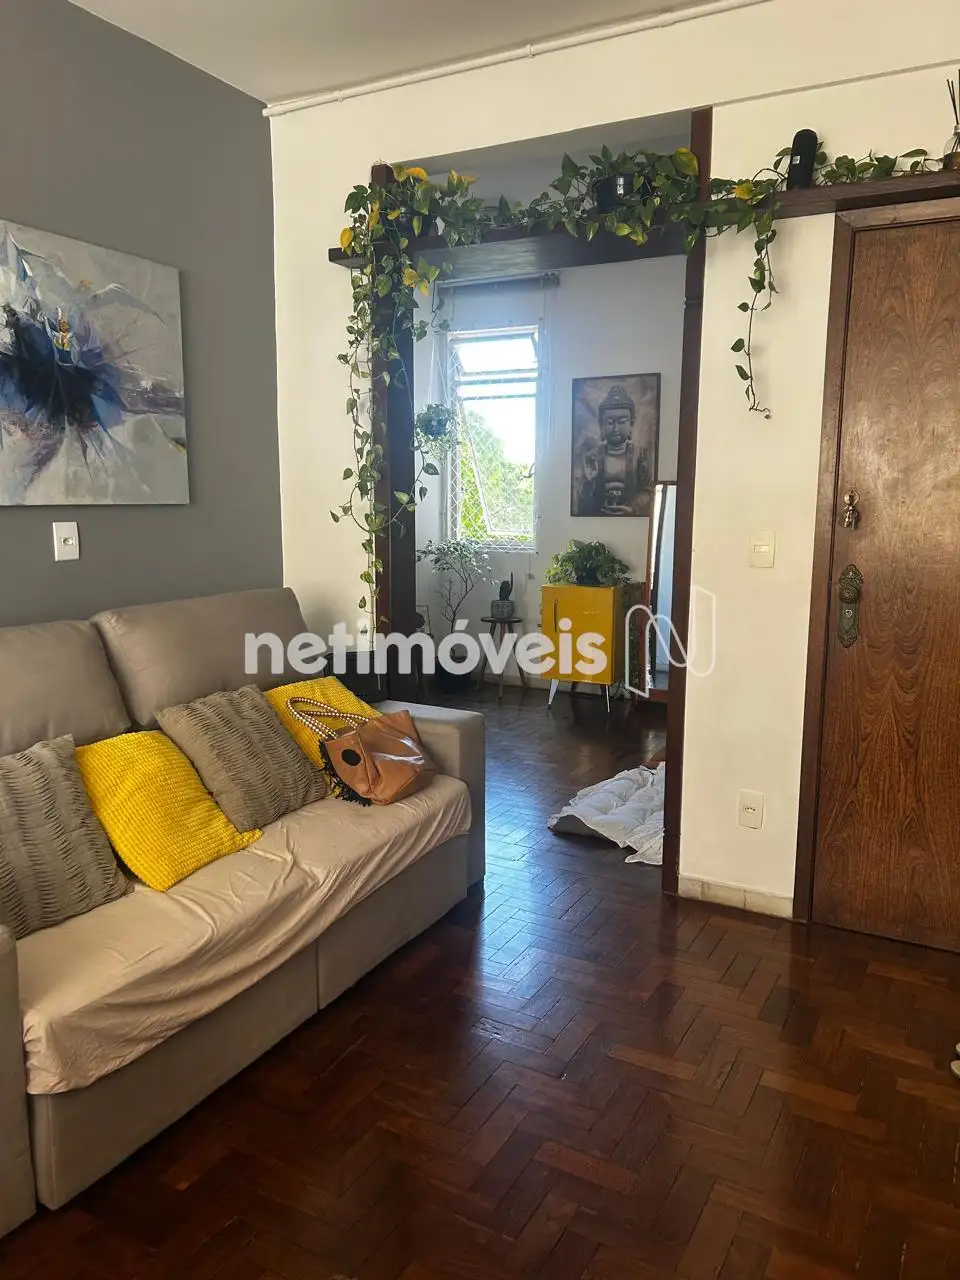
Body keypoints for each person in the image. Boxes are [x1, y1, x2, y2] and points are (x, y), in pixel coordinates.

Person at [577, 383, 652, 516]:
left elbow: (648, 492)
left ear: (631, 423)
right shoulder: (592, 457)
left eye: (622, 421)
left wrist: (633, 507)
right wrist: (589, 482)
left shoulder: (640, 455)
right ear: (602, 424)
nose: (616, 428)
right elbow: (581, 502)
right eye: (610, 422)